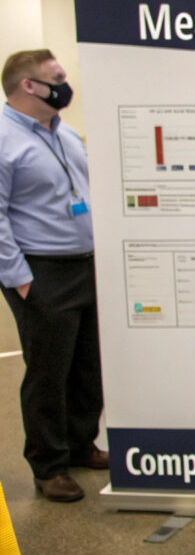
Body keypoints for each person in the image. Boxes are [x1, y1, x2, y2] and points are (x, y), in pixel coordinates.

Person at [0, 49, 105, 503]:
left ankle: (81, 444)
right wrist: (21, 280)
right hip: (41, 271)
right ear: (29, 85)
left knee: (88, 366)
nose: (65, 83)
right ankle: (49, 465)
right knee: (49, 372)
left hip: (85, 263)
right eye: (57, 77)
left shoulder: (65, 133)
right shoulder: (4, 138)